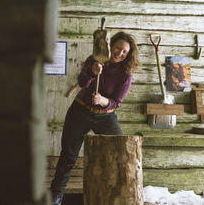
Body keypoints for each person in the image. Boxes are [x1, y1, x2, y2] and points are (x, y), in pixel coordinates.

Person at [50, 31, 140, 205]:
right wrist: (92, 72)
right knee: (68, 156)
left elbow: (116, 102)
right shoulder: (95, 60)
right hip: (80, 112)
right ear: (110, 45)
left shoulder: (126, 74)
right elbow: (83, 82)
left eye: (124, 52)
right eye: (117, 48)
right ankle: (56, 195)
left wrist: (103, 100)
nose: (120, 53)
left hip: (105, 117)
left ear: (128, 55)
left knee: (121, 152)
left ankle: (117, 196)